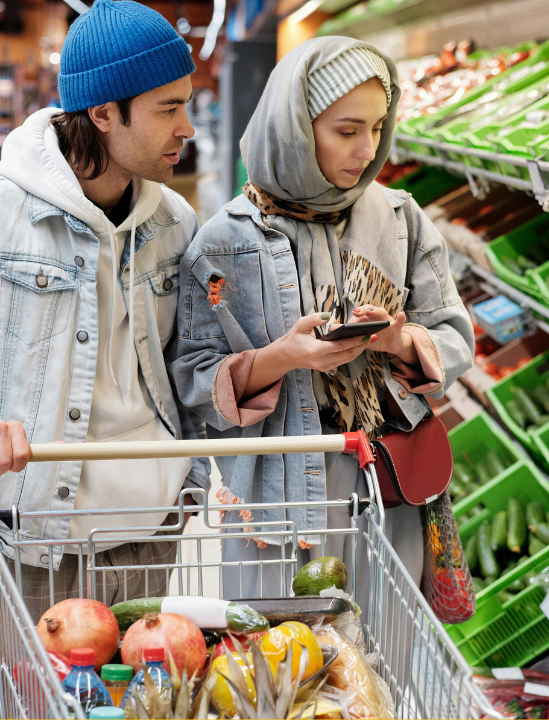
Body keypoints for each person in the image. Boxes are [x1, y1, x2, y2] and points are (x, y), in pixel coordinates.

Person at [0, 0, 209, 619]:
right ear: (103, 113)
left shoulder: (174, 222)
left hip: (157, 527)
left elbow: (188, 360)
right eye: (169, 108)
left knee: (147, 709)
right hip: (42, 535)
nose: (187, 128)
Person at [171, 37, 474, 600]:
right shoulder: (222, 245)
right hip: (276, 503)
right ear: (294, 127)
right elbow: (192, 376)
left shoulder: (400, 219)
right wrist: (281, 358)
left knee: (380, 666)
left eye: (378, 126)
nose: (367, 148)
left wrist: (399, 339)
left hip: (386, 490)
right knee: (279, 665)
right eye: (345, 130)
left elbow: (454, 336)